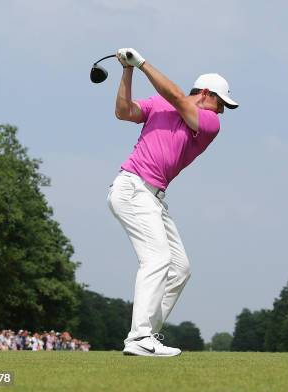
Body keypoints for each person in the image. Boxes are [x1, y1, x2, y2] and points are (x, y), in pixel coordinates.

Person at [108, 48, 238, 357]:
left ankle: (146, 334)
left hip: (152, 197)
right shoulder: (160, 104)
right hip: (133, 187)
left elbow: (179, 97)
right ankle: (139, 338)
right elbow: (123, 111)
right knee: (157, 260)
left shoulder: (208, 123)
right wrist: (127, 70)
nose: (221, 112)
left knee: (179, 268)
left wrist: (140, 64)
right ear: (206, 93)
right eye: (221, 103)